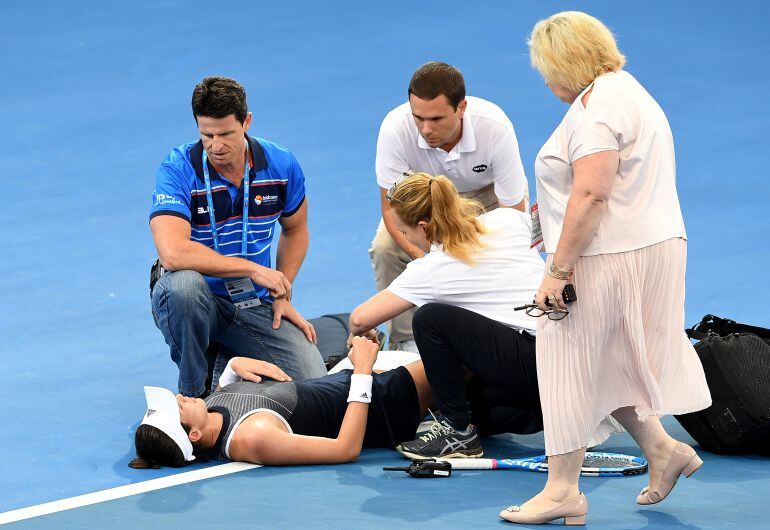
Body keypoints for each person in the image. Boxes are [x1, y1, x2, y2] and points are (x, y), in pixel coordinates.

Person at [498, 12, 712, 525]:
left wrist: (558, 269)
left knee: (565, 364)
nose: (545, 79)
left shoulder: (596, 110)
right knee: (611, 362)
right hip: (653, 244)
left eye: (545, 68)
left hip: (606, 255)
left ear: (562, 64)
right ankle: (662, 450)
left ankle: (561, 491)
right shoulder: (628, 90)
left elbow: (593, 193)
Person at [149, 76, 326, 398]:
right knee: (183, 288)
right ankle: (193, 395)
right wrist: (253, 269)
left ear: (246, 122)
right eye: (207, 135)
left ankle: (224, 362)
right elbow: (172, 253)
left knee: (312, 384)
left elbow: (296, 228)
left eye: (226, 134)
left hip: (253, 302)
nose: (216, 146)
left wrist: (282, 295)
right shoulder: (177, 168)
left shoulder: (281, 164)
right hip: (196, 299)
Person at [351, 172, 545, 459]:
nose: (406, 239)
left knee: (431, 319)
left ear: (424, 228)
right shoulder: (509, 218)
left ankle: (457, 431)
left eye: (405, 233)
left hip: (536, 362)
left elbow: (359, 319)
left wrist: (362, 335)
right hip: (567, 352)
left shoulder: (432, 267)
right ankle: (557, 414)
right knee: (479, 406)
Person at [371, 61, 529, 351]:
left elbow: (514, 218)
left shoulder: (495, 127)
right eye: (418, 118)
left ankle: (501, 326)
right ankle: (407, 340)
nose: (425, 129)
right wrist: (427, 261)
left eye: (437, 119)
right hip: (422, 200)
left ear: (462, 108)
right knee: (384, 248)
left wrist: (456, 263)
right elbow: (391, 211)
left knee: (488, 252)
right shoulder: (395, 129)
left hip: (488, 198)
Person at [129, 337, 433, 468]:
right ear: (193, 434)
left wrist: (234, 365)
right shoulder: (253, 437)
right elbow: (346, 449)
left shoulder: (208, 411)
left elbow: (232, 394)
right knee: (455, 345)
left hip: (349, 378)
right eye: (179, 406)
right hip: (386, 404)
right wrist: (364, 371)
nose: (181, 396)